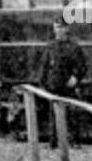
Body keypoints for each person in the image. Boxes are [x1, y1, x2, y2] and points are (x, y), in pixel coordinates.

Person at [37, 20, 87, 148]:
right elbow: (45, 65)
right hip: (53, 84)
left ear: (66, 29)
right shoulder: (50, 46)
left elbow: (82, 66)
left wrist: (75, 78)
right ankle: (53, 142)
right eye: (55, 28)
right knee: (53, 114)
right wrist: (42, 82)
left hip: (68, 85)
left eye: (60, 28)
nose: (57, 31)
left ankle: (75, 141)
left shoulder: (74, 47)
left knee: (72, 114)